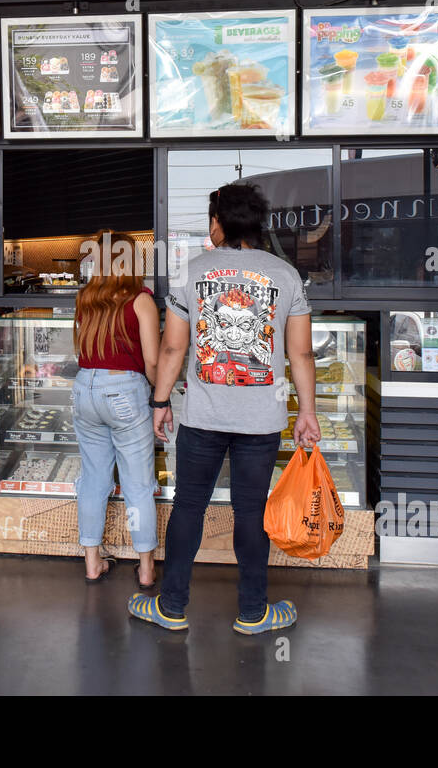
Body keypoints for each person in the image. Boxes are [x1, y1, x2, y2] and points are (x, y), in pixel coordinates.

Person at [129, 183, 320, 634]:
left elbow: (174, 349)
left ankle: (172, 607)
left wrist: (160, 401)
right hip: (262, 420)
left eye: (211, 217)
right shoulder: (286, 276)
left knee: (189, 507)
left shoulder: (192, 273)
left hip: (202, 417)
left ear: (219, 222)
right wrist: (307, 412)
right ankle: (253, 613)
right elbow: (302, 355)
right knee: (251, 512)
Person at [72, 229, 161, 588]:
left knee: (93, 480)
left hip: (84, 389)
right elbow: (153, 362)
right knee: (138, 485)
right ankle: (145, 568)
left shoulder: (85, 298)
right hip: (124, 391)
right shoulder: (140, 300)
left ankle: (92, 563)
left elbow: (79, 350)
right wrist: (161, 396)